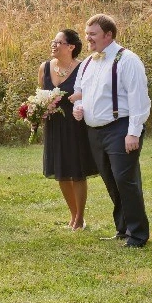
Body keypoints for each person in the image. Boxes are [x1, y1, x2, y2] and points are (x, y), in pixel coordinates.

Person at [72, 14, 151, 248]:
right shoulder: (87, 62)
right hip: (95, 132)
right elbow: (80, 92)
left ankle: (138, 234)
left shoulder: (128, 60)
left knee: (125, 180)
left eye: (93, 34)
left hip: (120, 129)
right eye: (87, 34)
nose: (88, 39)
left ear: (108, 35)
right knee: (110, 180)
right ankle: (123, 229)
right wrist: (79, 108)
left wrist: (133, 132)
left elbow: (139, 99)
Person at [39, 29, 98, 230]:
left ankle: (80, 217)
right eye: (53, 41)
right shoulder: (45, 68)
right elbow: (40, 95)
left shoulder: (84, 68)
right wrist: (37, 110)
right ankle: (72, 215)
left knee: (77, 171)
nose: (53, 45)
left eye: (58, 42)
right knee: (61, 171)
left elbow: (91, 95)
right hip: (54, 126)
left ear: (71, 47)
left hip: (75, 125)